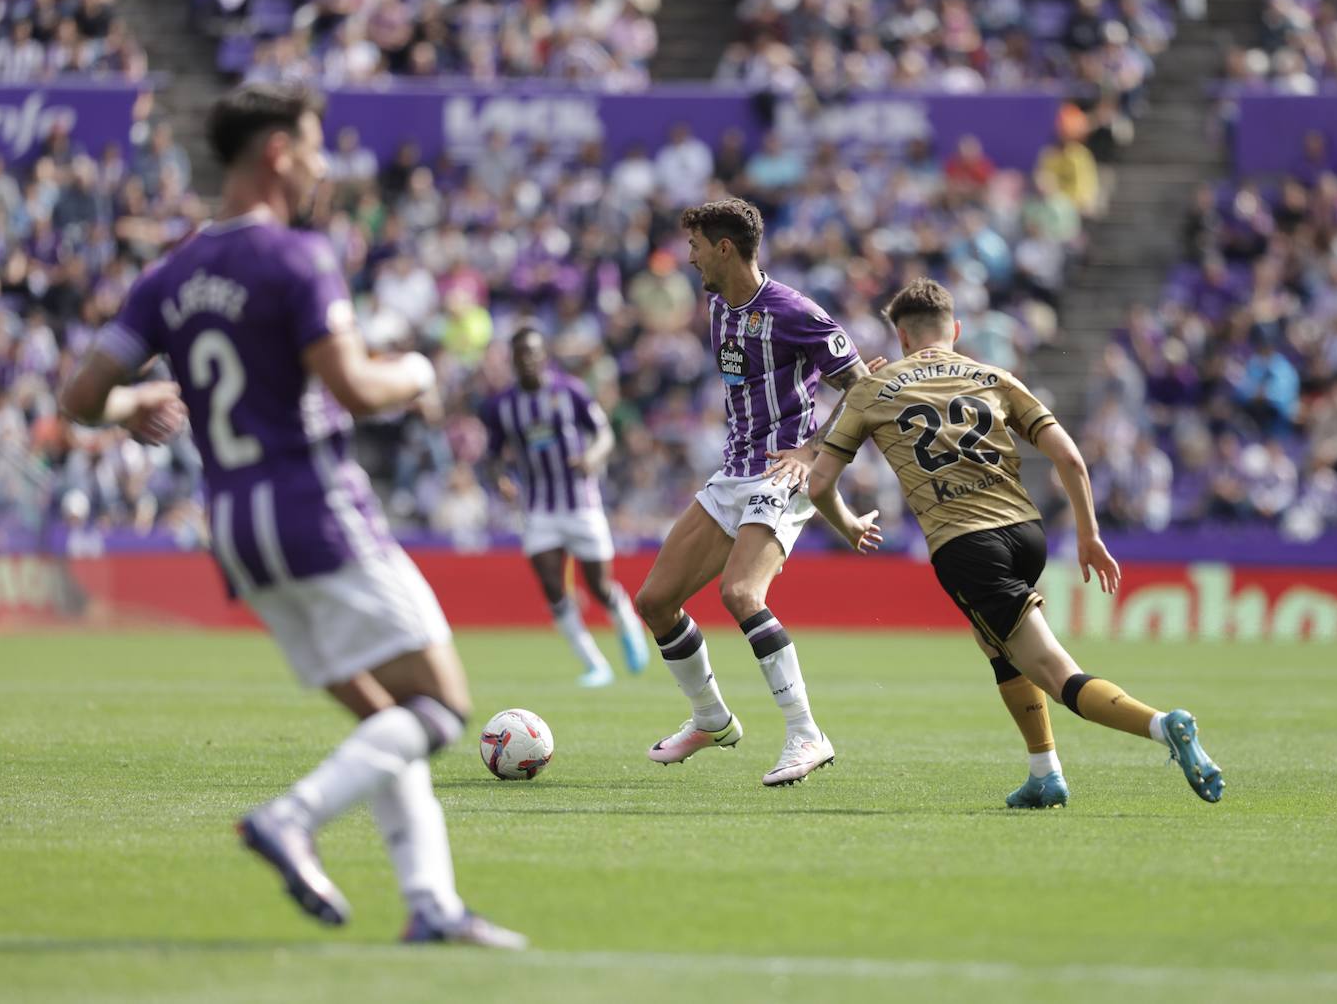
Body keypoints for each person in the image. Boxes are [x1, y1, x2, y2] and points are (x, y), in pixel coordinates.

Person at [59, 83, 526, 946]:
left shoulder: (170, 273)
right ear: (277, 151)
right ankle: (292, 817)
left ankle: (431, 907)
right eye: (313, 149)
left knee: (385, 717)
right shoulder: (296, 258)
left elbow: (81, 396)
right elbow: (356, 388)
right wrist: (421, 371)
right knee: (440, 710)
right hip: (317, 511)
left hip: (237, 530)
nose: (323, 167)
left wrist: (132, 408)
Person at [807, 278, 1224, 806]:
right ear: (954, 330)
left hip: (964, 543)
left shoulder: (874, 387)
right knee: (994, 639)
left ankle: (1164, 726)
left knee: (1054, 671)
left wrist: (846, 524)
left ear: (904, 339)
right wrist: (1089, 534)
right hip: (1027, 533)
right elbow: (1069, 458)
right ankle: (1044, 772)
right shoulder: (994, 375)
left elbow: (819, 483)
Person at [634, 197, 877, 787]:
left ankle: (806, 733)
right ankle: (711, 718)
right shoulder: (718, 304)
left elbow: (865, 388)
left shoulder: (796, 312)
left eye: (694, 246)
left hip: (780, 474)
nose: (687, 258)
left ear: (723, 248)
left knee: (741, 593)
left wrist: (813, 451)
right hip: (732, 473)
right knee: (654, 602)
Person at [481, 324, 649, 687]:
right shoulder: (503, 405)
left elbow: (604, 433)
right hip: (538, 507)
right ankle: (594, 665)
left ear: (544, 357)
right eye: (520, 354)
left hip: (581, 504)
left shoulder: (570, 391)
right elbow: (493, 455)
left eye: (534, 353)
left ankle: (627, 623)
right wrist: (501, 479)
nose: (528, 361)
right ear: (513, 360)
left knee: (598, 587)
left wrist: (591, 456)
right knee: (552, 586)